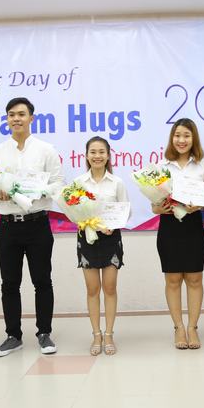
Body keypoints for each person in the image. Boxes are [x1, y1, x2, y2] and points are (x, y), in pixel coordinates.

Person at [0, 97, 65, 357]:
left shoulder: (46, 150)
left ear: (31, 118)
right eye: (11, 114)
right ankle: (13, 336)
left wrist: (40, 191)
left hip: (37, 223)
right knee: (9, 283)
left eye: (21, 114)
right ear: (7, 119)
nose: (16, 119)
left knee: (42, 280)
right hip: (8, 225)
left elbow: (58, 183)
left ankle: (44, 333)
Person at [153, 118, 204, 349]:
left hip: (193, 225)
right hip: (169, 226)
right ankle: (178, 327)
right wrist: (158, 208)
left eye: (186, 135)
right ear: (172, 138)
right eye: (177, 135)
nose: (181, 140)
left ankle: (192, 327)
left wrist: (199, 205)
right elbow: (154, 204)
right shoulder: (161, 166)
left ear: (193, 138)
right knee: (173, 279)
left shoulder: (203, 166)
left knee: (195, 279)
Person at [75, 136, 129, 356]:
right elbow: (74, 213)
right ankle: (96, 334)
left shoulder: (117, 183)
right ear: (87, 155)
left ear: (108, 155)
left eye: (101, 152)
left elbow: (125, 212)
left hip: (110, 239)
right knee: (92, 289)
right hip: (87, 239)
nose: (97, 156)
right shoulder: (78, 183)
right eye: (93, 152)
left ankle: (109, 334)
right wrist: (88, 223)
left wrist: (112, 225)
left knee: (110, 288)